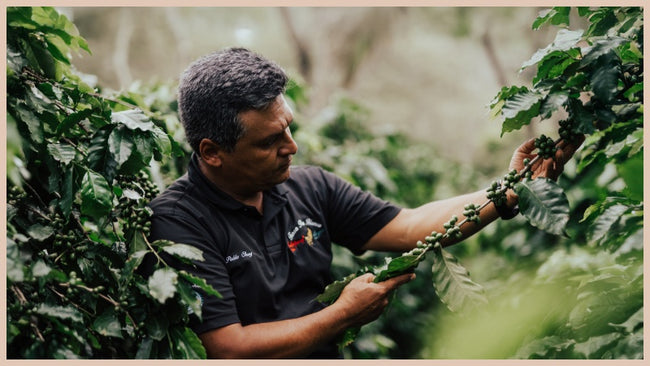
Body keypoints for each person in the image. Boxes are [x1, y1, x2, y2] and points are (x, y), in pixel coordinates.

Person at [147, 47, 582, 359]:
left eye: (289, 128)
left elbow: (410, 226)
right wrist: (341, 316)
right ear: (211, 152)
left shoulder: (310, 187)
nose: (292, 147)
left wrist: (510, 190)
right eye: (269, 141)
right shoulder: (178, 222)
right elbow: (227, 348)